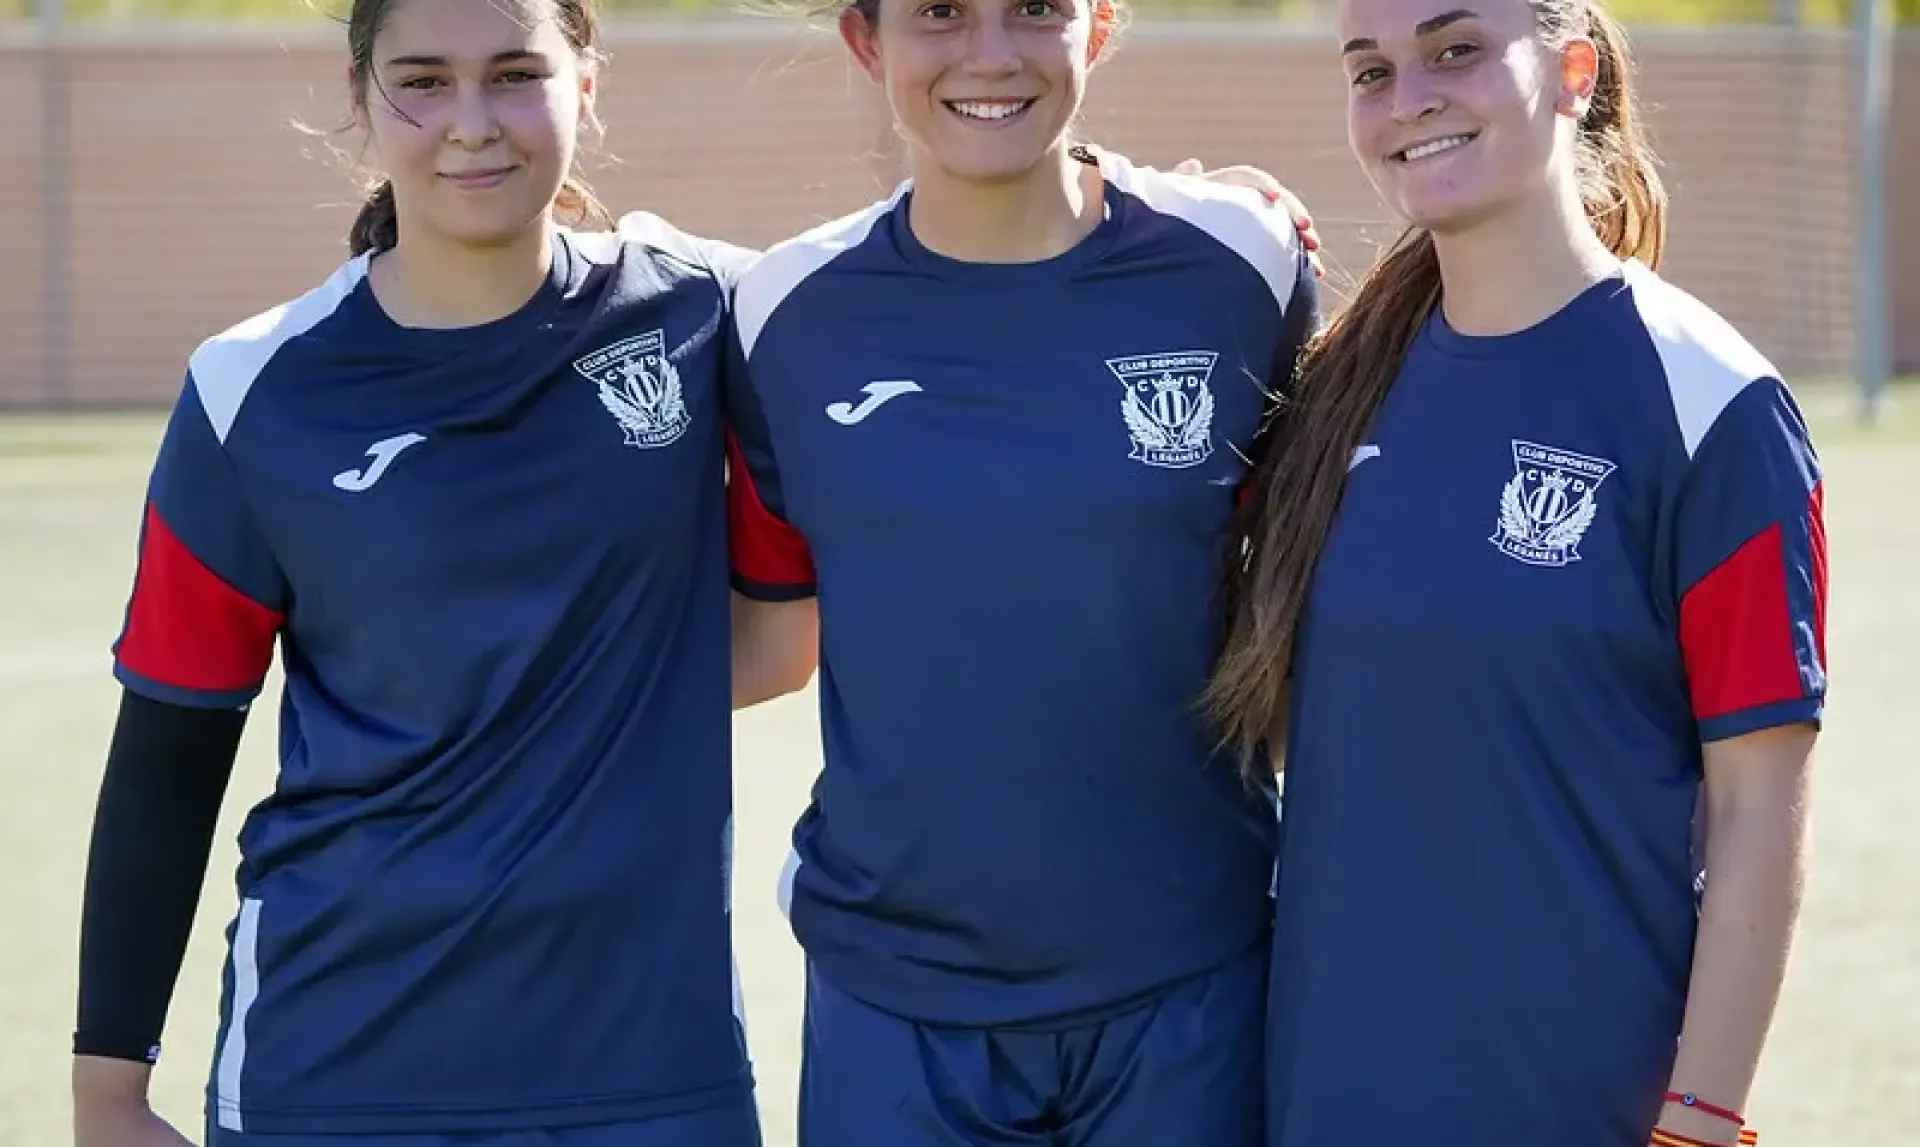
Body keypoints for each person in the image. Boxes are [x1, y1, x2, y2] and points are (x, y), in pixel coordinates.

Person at [68, 0, 820, 1143]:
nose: (472, 122)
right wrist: (106, 1092)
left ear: (587, 85)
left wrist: (1131, 193)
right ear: (362, 101)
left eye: (516, 74)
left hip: (649, 1070)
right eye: (423, 79)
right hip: (333, 1067)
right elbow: (169, 752)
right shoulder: (251, 392)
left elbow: (927, 278)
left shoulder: (704, 311)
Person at [1206, 1, 1825, 1145]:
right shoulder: (1327, 396)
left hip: (1583, 1093)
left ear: (1574, 70)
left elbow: (1758, 800)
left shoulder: (1712, 406)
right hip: (1325, 1089)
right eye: (1371, 71)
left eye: (1455, 52)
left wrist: (1699, 1119)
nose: (1411, 99)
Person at [721, 0, 1321, 1141]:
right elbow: (773, 635)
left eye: (1035, 10)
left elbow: (1307, 602)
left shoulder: (1242, 265)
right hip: (893, 999)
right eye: (939, 13)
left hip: (1191, 982)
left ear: (1099, 25)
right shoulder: (781, 316)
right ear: (867, 40)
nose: (989, 55)